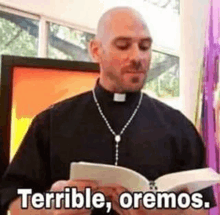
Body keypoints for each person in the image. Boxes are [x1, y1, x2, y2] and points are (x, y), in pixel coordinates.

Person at [0, 6, 216, 215]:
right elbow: (15, 202)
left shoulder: (179, 129)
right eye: (123, 46)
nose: (137, 57)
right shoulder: (51, 123)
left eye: (145, 46)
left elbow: (201, 205)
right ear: (95, 51)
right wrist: (52, 209)